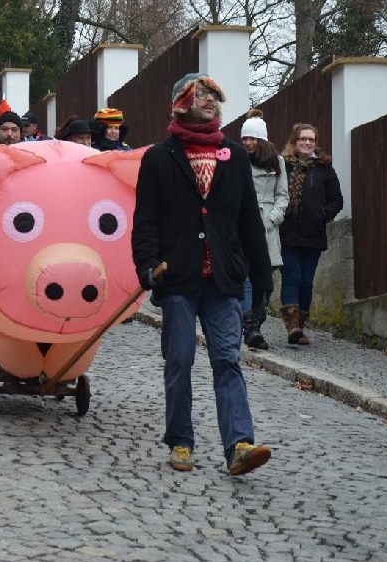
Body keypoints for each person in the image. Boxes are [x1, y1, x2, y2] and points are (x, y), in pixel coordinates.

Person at [132, 72, 273, 476]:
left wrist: (261, 276)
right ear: (182, 103)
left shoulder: (234, 155)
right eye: (202, 95)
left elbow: (249, 220)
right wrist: (147, 268)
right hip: (177, 277)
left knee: (228, 360)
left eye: (214, 95)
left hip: (224, 280)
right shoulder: (159, 157)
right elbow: (145, 221)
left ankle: (239, 445)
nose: (210, 101)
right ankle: (180, 441)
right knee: (179, 359)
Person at [278, 123, 343, 345]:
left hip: (314, 235)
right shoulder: (283, 166)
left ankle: (300, 325)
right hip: (288, 234)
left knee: (306, 282)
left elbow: (337, 200)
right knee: (291, 277)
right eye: (303, 139)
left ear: (315, 142)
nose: (307, 143)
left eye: (311, 139)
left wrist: (320, 214)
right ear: (294, 142)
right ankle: (292, 326)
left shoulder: (324, 168)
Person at [238, 109, 288, 350]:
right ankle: (250, 328)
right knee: (245, 276)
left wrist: (273, 218)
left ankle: (255, 322)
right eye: (245, 138)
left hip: (266, 227)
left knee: (265, 282)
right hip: (242, 225)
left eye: (252, 138)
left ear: (262, 140)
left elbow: (283, 195)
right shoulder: (236, 159)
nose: (248, 143)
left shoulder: (276, 162)